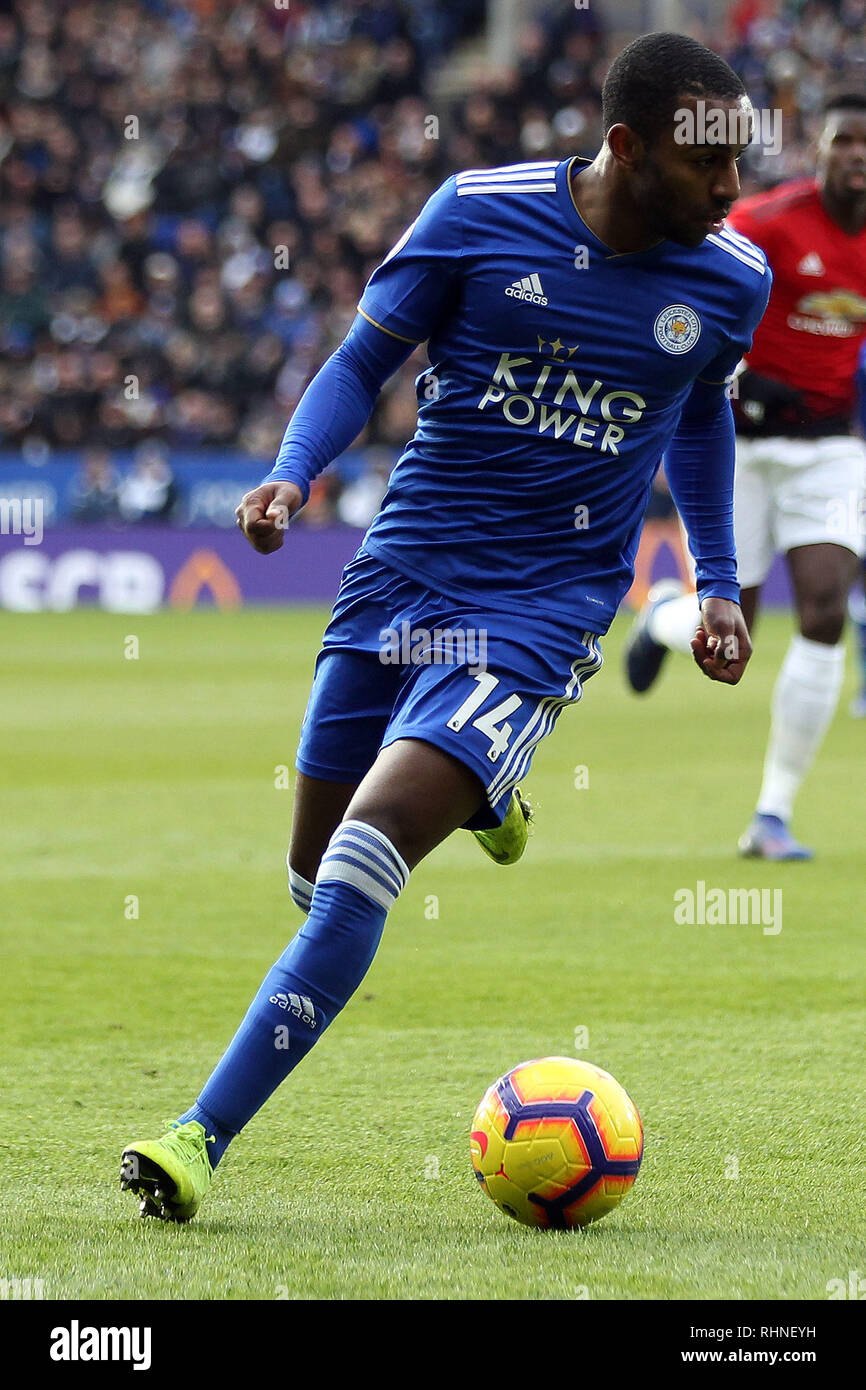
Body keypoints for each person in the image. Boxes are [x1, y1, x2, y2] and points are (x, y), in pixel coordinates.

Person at [120, 32, 769, 1222]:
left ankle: (194, 1136)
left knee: (366, 857)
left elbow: (699, 416)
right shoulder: (476, 213)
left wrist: (716, 580)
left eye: (740, 165)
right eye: (706, 166)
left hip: (544, 605)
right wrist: (292, 470)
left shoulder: (727, 276)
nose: (731, 193)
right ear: (625, 149)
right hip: (403, 573)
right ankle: (486, 791)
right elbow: (366, 357)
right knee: (311, 876)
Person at [624, 93, 866, 859]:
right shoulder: (766, 221)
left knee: (825, 609)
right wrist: (738, 373)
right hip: (736, 438)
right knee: (730, 635)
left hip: (829, 448)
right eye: (845, 142)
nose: (858, 157)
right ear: (819, 152)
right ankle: (664, 614)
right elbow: (694, 282)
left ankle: (772, 814)